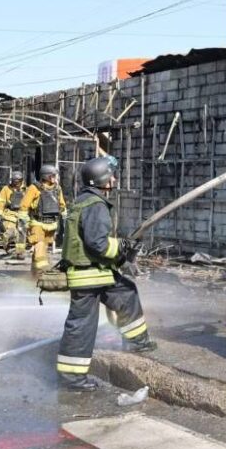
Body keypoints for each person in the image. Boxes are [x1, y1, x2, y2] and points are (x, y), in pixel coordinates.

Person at [56, 156, 156, 391]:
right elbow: (97, 244)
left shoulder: (83, 200)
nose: (114, 178)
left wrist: (121, 249)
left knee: (127, 293)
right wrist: (121, 247)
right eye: (111, 175)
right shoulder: (95, 205)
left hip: (97, 273)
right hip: (89, 275)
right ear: (100, 178)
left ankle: (137, 343)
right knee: (81, 325)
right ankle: (72, 379)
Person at [20, 164, 66, 276]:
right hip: (37, 223)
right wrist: (24, 221)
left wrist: (64, 218)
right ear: (47, 176)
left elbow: (62, 205)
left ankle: (35, 274)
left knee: (43, 248)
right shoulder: (34, 188)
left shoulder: (57, 189)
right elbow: (24, 205)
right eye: (53, 175)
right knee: (39, 244)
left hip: (51, 224)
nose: (56, 178)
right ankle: (43, 270)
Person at [0, 171, 27, 258]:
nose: (16, 183)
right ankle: (8, 247)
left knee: (21, 234)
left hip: (22, 214)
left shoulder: (26, 190)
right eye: (14, 181)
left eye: (18, 181)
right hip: (9, 215)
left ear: (21, 180)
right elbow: (0, 201)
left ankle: (20, 253)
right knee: (9, 233)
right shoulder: (6, 189)